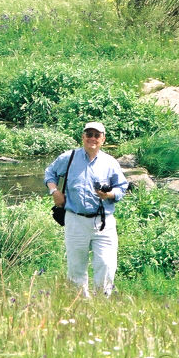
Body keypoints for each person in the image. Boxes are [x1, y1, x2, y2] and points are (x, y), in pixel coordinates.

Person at [44, 121, 128, 297]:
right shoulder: (69, 157)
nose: (92, 138)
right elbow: (50, 173)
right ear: (82, 137)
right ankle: (79, 305)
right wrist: (54, 191)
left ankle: (102, 303)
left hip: (103, 222)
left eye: (97, 135)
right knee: (76, 267)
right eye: (88, 134)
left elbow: (122, 187)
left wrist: (109, 194)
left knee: (106, 263)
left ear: (103, 139)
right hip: (75, 219)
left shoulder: (110, 163)